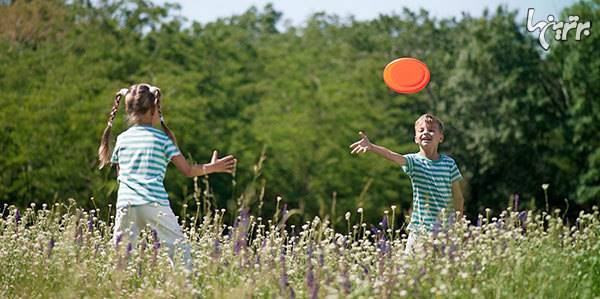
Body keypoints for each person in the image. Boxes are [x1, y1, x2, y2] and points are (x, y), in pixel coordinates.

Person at [98, 83, 236, 271]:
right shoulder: (163, 140)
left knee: (122, 257)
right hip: (154, 203)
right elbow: (187, 170)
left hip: (126, 204)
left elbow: (120, 175)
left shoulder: (122, 138)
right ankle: (186, 288)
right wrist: (212, 167)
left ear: (128, 110)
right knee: (179, 252)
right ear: (154, 109)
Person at [349, 113, 464, 253]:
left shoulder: (449, 163)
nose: (426, 133)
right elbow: (392, 155)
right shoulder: (413, 161)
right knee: (410, 271)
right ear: (416, 138)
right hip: (419, 231)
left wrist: (457, 226)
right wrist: (372, 147)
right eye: (421, 130)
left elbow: (458, 197)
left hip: (444, 231)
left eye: (431, 130)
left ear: (441, 137)